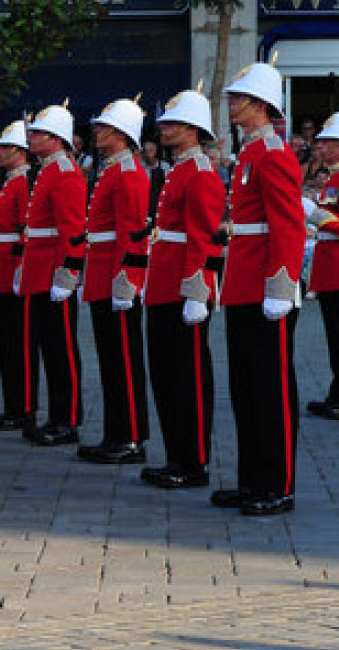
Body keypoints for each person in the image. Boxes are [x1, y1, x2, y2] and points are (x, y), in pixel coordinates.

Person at [214, 62, 306, 516]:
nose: (232, 104)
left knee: (271, 390)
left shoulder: (273, 152)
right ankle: (252, 478)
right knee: (246, 388)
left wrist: (281, 284)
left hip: (265, 286)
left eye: (239, 98)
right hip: (242, 284)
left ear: (260, 106)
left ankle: (278, 483)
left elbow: (288, 225)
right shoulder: (250, 153)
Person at [140, 88, 225, 490]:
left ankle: (193, 461)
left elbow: (203, 239)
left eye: (172, 123)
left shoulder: (201, 172)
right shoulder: (179, 170)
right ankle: (177, 455)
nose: (164, 128)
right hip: (163, 285)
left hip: (182, 289)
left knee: (187, 378)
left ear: (193, 130)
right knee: (165, 376)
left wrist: (198, 291)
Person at [77, 99, 151, 465]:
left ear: (122, 135)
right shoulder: (111, 170)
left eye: (105, 128)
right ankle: (115, 432)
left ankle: (131, 436)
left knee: (124, 360)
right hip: (102, 273)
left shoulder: (129, 173)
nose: (97, 132)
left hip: (115, 278)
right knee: (110, 360)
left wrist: (127, 281)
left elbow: (132, 234)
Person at [19, 104, 88, 448]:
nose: (30, 138)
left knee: (61, 350)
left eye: (36, 133)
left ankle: (68, 418)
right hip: (39, 272)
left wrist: (69, 273)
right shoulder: (47, 170)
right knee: (49, 348)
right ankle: (57, 415)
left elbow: (72, 230)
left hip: (54, 275)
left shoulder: (63, 172)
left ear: (54, 138)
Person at [0, 121, 35, 431]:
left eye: (4, 147)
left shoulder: (24, 182)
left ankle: (23, 406)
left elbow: (23, 231)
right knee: (6, 342)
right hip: (1, 269)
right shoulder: (11, 182)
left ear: (20, 152)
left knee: (18, 344)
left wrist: (19, 268)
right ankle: (14, 404)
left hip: (13, 271)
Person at [303, 113, 339, 419]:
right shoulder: (334, 176)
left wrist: (317, 215)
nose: (321, 146)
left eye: (329, 141)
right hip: (329, 268)